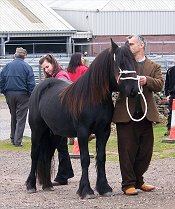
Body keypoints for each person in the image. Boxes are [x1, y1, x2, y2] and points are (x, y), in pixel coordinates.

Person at [112, 35, 164, 195]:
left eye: (132, 43)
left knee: (145, 150)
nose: (128, 46)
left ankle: (139, 180)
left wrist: (146, 80)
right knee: (126, 150)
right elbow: (114, 83)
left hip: (146, 114)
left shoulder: (153, 66)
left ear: (142, 45)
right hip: (125, 115)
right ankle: (128, 184)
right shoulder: (123, 64)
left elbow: (160, 84)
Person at [39, 54, 74, 185]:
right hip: (58, 117)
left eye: (47, 66)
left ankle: (63, 175)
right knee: (61, 146)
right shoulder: (54, 77)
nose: (46, 70)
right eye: (44, 68)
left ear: (53, 63)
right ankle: (65, 173)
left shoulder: (61, 77)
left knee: (61, 146)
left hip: (61, 117)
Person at [0, 47, 35, 147]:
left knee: (13, 116)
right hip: (23, 95)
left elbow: (1, 80)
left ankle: (12, 137)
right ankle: (17, 141)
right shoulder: (27, 67)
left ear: (15, 55)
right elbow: (31, 83)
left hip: (9, 94)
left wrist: (4, 92)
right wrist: (31, 95)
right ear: (25, 56)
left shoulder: (7, 66)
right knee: (21, 118)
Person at [66, 53, 89, 145]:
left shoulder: (68, 70)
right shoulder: (84, 69)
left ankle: (71, 136)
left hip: (70, 96)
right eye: (82, 57)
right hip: (82, 96)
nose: (83, 59)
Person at [164, 66, 175, 136]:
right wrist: (167, 94)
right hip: (173, 94)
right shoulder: (170, 70)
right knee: (171, 112)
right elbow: (167, 84)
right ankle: (169, 129)